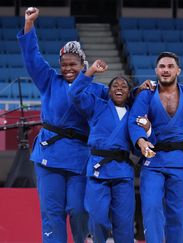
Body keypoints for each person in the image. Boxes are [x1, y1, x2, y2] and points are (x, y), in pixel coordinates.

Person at [18, 7, 108, 242]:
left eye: (73, 65)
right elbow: (32, 57)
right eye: (64, 64)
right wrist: (29, 24)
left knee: (78, 210)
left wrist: (141, 90)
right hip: (49, 154)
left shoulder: (97, 89)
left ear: (83, 64)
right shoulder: (49, 81)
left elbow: (121, 97)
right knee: (51, 213)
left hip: (79, 156)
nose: (68, 69)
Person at [128, 51, 183, 243]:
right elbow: (134, 120)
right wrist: (141, 141)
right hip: (153, 159)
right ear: (156, 70)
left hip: (179, 160)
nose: (166, 70)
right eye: (162, 67)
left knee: (177, 213)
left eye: (170, 66)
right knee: (151, 207)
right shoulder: (146, 95)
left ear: (178, 71)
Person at [69, 60, 153, 242]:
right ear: (109, 91)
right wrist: (90, 71)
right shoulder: (97, 106)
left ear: (129, 92)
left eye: (124, 86)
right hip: (98, 169)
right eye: (115, 85)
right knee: (98, 218)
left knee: (124, 224)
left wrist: (147, 132)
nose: (119, 88)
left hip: (123, 172)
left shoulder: (134, 114)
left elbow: (138, 148)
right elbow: (75, 94)